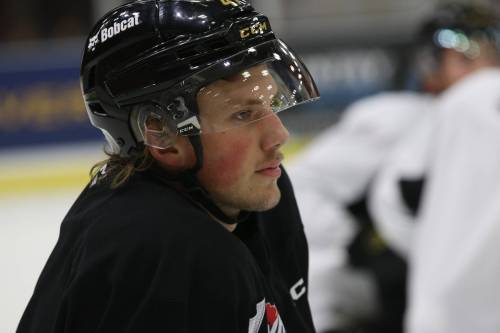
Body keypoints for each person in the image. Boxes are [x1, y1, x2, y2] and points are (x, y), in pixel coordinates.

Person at [16, 1, 320, 332]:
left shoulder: (258, 194)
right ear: (161, 132)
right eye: (243, 115)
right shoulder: (166, 256)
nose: (279, 135)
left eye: (272, 102)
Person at [286, 3, 499, 333]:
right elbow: (303, 186)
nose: (484, 69)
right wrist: (350, 254)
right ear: (430, 66)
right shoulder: (399, 119)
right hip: (386, 301)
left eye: (492, 57)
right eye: (466, 58)